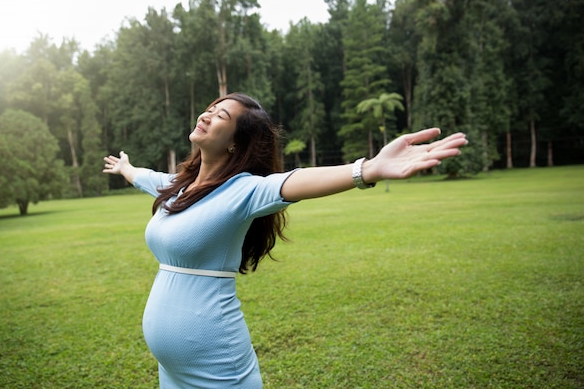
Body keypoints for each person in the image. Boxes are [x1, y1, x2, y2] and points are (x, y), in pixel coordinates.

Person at [103, 92, 467, 388]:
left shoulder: (243, 191)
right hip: (172, 372)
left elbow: (294, 181)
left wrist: (367, 169)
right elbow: (144, 177)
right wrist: (124, 168)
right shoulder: (178, 187)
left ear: (235, 143)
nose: (207, 114)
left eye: (222, 117)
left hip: (217, 365)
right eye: (211, 108)